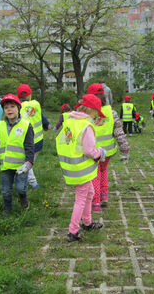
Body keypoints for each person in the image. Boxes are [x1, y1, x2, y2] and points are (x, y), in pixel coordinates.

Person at [56, 94, 106, 242]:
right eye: (97, 112)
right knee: (81, 199)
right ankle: (73, 231)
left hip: (70, 167)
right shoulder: (86, 126)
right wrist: (101, 153)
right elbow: (89, 150)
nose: (97, 116)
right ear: (92, 111)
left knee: (90, 192)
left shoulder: (70, 121)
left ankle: (87, 223)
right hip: (81, 169)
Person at [0, 94, 34, 215]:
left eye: (12, 106)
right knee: (5, 190)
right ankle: (7, 208)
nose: (9, 109)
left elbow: (30, 147)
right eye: (6, 108)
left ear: (18, 108)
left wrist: (28, 164)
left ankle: (23, 198)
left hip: (21, 166)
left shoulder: (26, 125)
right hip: (5, 165)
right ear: (3, 111)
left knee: (20, 188)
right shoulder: (0, 126)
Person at [87, 83, 130, 212]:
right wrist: (125, 149)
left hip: (92, 152)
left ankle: (95, 203)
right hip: (108, 151)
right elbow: (119, 132)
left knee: (94, 174)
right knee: (103, 171)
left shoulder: (87, 113)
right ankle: (104, 196)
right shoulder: (111, 112)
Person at [17, 84, 49, 189]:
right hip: (38, 142)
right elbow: (43, 119)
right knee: (29, 162)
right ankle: (25, 179)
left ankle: (33, 183)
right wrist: (46, 126)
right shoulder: (36, 105)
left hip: (25, 143)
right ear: (30, 95)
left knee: (27, 163)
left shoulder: (16, 107)